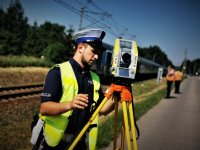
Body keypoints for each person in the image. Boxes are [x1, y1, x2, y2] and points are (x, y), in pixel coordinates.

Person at [32, 29, 115, 150]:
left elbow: (102, 110)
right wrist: (70, 104)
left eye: (98, 53)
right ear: (80, 47)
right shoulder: (58, 72)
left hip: (79, 143)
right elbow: (44, 108)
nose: (96, 57)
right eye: (93, 51)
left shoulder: (95, 78)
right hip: (53, 144)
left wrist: (115, 97)